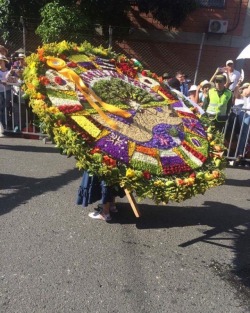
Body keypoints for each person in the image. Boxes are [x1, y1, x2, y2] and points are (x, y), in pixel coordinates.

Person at [233, 82, 250, 162]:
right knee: (244, 134)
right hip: (246, 114)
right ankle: (240, 153)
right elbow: (245, 93)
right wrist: (239, 85)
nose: (246, 88)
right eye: (245, 87)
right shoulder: (244, 94)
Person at [0, 54, 12, 128]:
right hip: (0, 92)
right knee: (1, 108)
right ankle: (2, 125)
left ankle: (5, 125)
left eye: (1, 61)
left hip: (7, 91)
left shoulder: (8, 71)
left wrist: (11, 73)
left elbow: (9, 79)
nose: (0, 63)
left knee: (6, 107)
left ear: (4, 62)